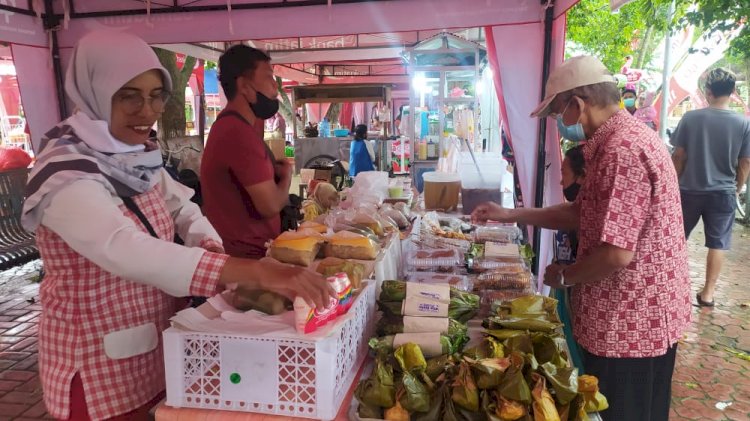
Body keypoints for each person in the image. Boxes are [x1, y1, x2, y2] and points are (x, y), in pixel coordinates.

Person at [21, 31, 334, 421]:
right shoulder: (65, 173)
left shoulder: (133, 154)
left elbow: (181, 207)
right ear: (94, 92)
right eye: (128, 95)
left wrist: (209, 242)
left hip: (157, 347)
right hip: (99, 364)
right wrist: (250, 269)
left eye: (156, 95)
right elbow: (123, 248)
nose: (146, 110)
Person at [472, 55, 691, 421]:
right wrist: (510, 214)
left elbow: (617, 254)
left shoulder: (622, 151)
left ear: (577, 104)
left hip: (629, 327)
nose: (560, 123)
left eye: (559, 112)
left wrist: (565, 277)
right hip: (634, 320)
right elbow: (580, 214)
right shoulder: (619, 141)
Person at [201, 45, 291, 259]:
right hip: (246, 259)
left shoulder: (236, 126)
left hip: (250, 254)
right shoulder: (236, 133)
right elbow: (269, 205)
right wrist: (287, 176)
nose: (275, 88)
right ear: (245, 86)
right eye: (269, 78)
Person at [670, 67, 750, 307]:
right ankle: (708, 294)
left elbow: (679, 156)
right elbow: (745, 163)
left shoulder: (691, 118)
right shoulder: (743, 123)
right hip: (723, 192)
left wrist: (673, 183)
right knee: (718, 243)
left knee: (675, 239)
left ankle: (671, 286)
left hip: (688, 190)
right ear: (733, 92)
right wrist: (736, 187)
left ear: (707, 92)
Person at [554, 145, 586, 372]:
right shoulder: (579, 208)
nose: (560, 182)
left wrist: (564, 276)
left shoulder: (592, 214)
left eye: (564, 174)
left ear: (582, 176)